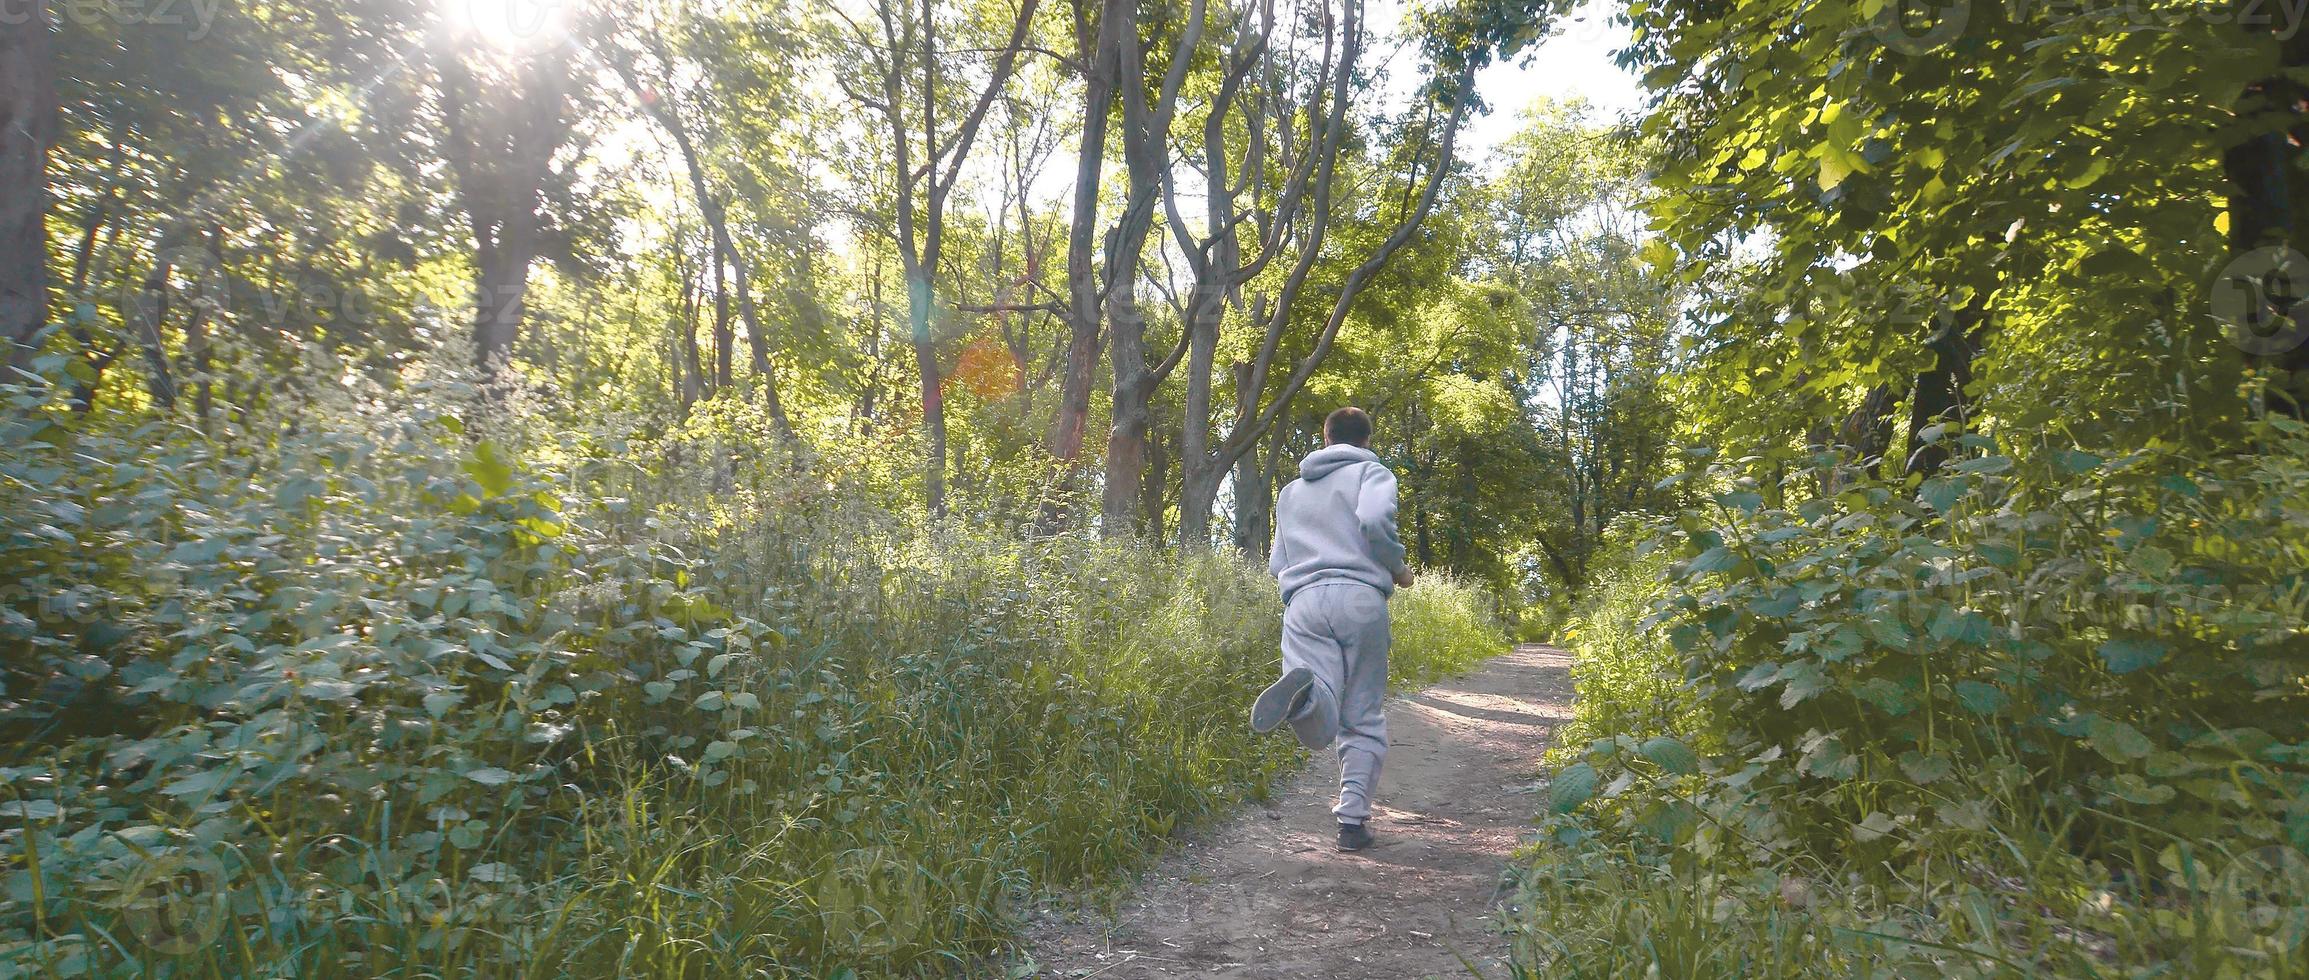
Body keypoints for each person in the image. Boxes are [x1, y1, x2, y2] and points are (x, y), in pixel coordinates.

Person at [1251, 406, 1413, 853]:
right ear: (1365, 440)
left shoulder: (1290, 492)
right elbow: (1376, 521)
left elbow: (1276, 564)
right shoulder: (1373, 473)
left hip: (1302, 602)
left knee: (1321, 711)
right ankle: (1352, 823)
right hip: (1360, 597)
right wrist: (1398, 567)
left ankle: (1305, 697)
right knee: (1361, 715)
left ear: (1325, 439)